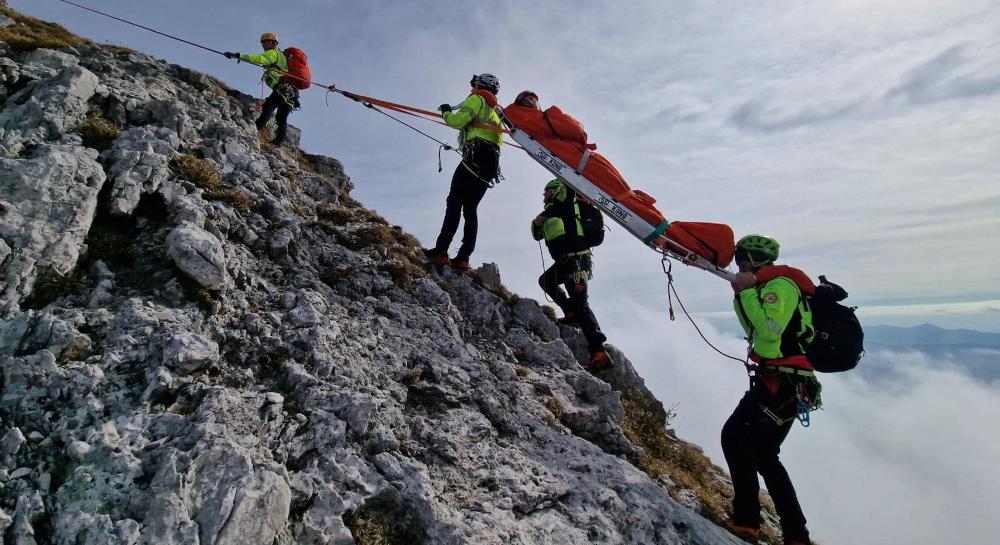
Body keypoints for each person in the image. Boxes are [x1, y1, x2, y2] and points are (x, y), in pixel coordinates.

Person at [721, 234, 821, 545]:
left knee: (738, 440)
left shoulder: (780, 287)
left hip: (783, 383)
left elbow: (767, 332)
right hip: (784, 383)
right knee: (761, 452)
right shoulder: (767, 286)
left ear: (752, 258)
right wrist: (742, 295)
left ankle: (750, 520)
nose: (737, 263)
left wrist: (748, 292)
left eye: (741, 258)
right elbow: (753, 327)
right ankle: (790, 533)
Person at [424, 73, 504, 271]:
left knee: (454, 202)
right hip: (490, 163)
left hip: (475, 155)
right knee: (470, 208)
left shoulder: (477, 99)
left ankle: (441, 251)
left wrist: (445, 113)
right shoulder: (496, 113)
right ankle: (463, 258)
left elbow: (458, 121)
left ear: (480, 85)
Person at [531, 179, 610, 371]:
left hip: (575, 262)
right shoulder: (554, 210)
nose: (543, 194)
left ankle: (599, 351)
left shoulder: (564, 204)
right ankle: (570, 312)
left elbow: (565, 194)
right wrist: (539, 221)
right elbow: (537, 233)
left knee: (582, 305)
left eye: (546, 190)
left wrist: (566, 180)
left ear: (557, 190)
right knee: (546, 281)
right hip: (566, 263)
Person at [224, 32, 298, 146]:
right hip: (292, 92)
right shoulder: (282, 56)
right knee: (281, 117)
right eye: (262, 43)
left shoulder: (273, 53)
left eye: (265, 42)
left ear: (273, 43)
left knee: (268, 106)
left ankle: (255, 129)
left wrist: (238, 55)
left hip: (283, 88)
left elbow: (260, 59)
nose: (263, 45)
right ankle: (278, 142)